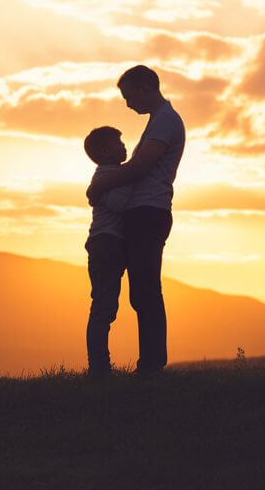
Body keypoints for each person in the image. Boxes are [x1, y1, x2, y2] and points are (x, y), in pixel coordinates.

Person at [86, 65, 185, 373]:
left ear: (145, 88)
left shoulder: (166, 121)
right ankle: (148, 364)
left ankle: (152, 365)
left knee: (145, 290)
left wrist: (100, 185)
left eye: (129, 96)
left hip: (149, 213)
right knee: (140, 291)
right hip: (140, 214)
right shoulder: (157, 122)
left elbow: (139, 168)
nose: (128, 104)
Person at [81, 126, 133, 376]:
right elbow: (119, 204)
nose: (124, 146)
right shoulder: (105, 177)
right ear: (104, 151)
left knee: (106, 305)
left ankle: (100, 365)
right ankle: (99, 367)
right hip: (105, 245)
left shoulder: (111, 175)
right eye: (117, 143)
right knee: (103, 306)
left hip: (108, 245)